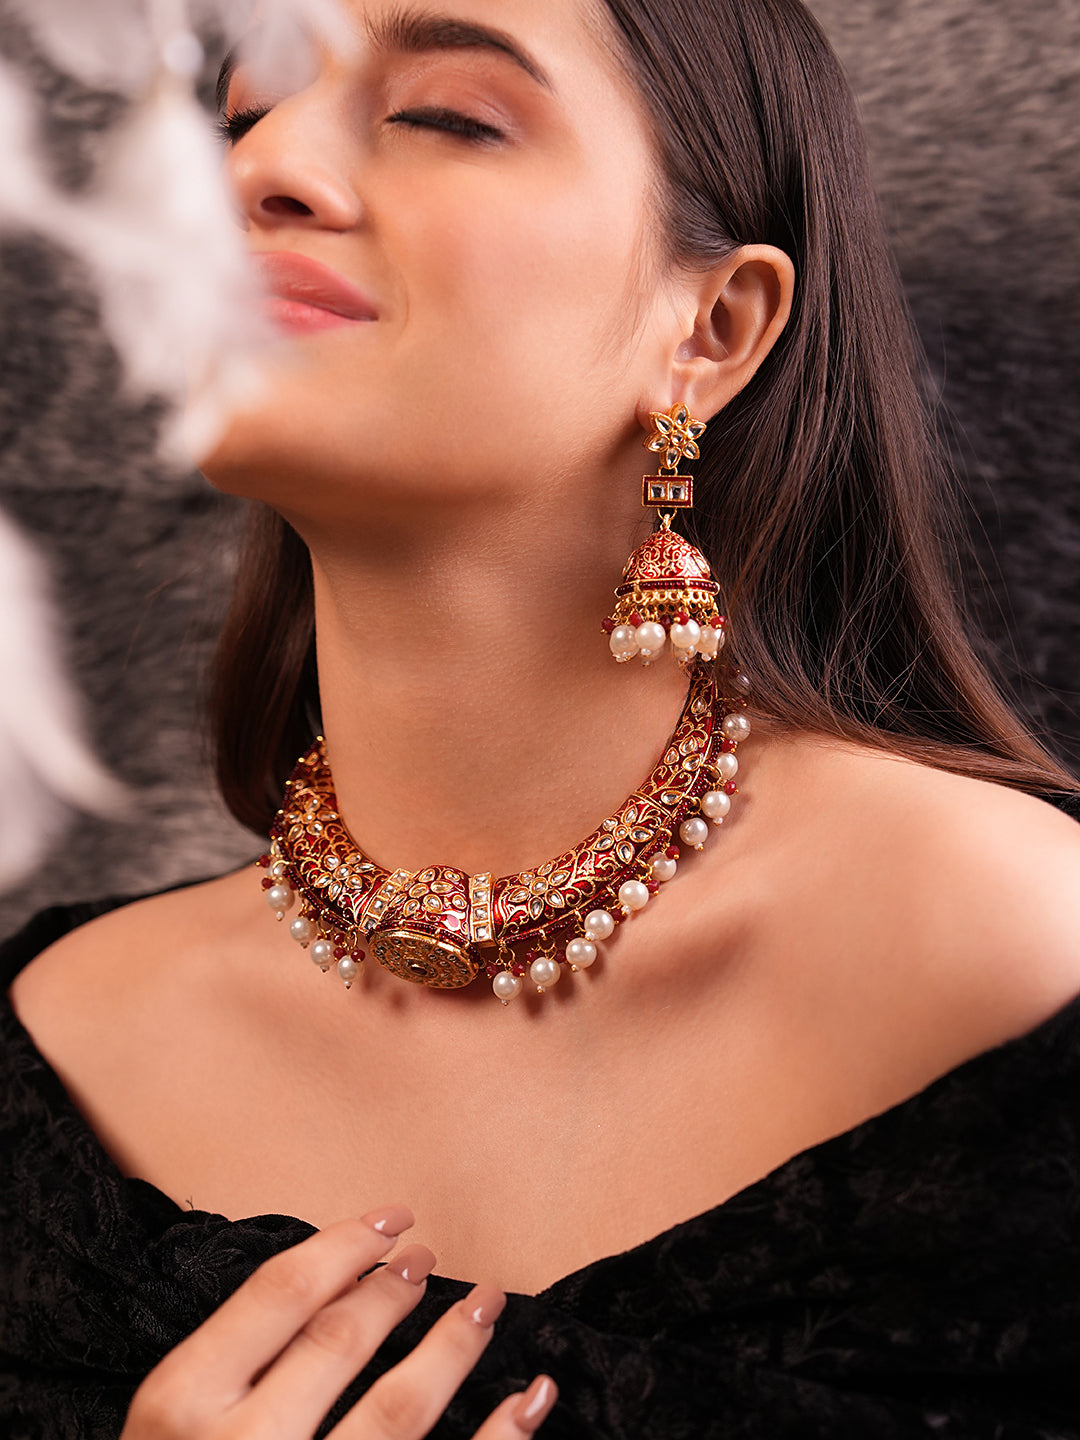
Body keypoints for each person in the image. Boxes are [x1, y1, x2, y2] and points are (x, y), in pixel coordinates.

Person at [3, 0, 1080, 1436]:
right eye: (240, 117)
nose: (257, 171)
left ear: (713, 329)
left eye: (447, 115)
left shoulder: (1007, 946)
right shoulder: (52, 1046)